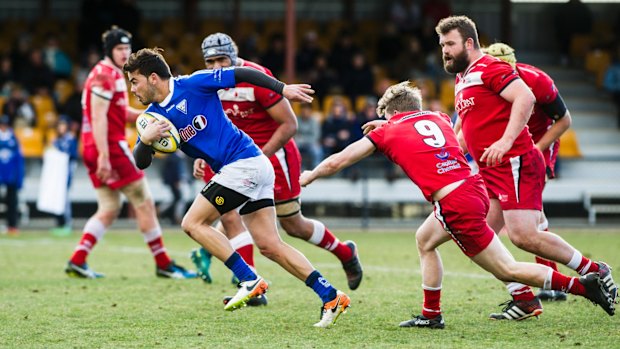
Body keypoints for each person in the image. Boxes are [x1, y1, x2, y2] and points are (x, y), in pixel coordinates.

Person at [301, 81, 616, 329]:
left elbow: (339, 160)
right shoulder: (438, 117)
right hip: (474, 186)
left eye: (386, 118)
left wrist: (311, 175)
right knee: (425, 240)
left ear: (392, 114)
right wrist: (384, 126)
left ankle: (583, 287)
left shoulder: (388, 129)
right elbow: (418, 135)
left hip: (454, 202)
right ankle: (431, 314)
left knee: (507, 268)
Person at [125, 47, 351, 328]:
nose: (132, 89)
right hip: (252, 166)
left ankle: (248, 279)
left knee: (192, 223)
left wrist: (283, 89)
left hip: (243, 164)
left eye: (135, 81)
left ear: (154, 78)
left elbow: (242, 72)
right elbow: (140, 161)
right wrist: (144, 140)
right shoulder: (152, 118)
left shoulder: (193, 83)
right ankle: (330, 295)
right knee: (270, 245)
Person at [434, 15, 616, 319]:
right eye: (441, 45)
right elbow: (463, 129)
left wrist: (506, 141)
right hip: (491, 169)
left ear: (469, 43)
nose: (444, 50)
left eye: (449, 44)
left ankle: (595, 270)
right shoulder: (462, 77)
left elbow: (526, 97)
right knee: (478, 240)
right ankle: (523, 299)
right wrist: (446, 159)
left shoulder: (489, 67)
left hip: (514, 162)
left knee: (523, 236)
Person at [190, 33, 363, 295]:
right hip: (231, 159)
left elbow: (289, 124)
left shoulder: (255, 77)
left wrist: (259, 157)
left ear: (233, 57)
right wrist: (203, 153)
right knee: (228, 215)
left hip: (274, 156)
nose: (216, 68)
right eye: (210, 62)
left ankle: (344, 251)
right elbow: (210, 123)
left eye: (222, 60)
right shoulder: (207, 83)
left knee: (293, 225)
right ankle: (250, 285)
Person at [64, 26, 196, 280]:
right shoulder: (106, 76)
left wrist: (152, 116)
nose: (125, 53)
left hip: (94, 147)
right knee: (144, 203)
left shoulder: (105, 73)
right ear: (109, 51)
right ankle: (163, 263)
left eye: (127, 48)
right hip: (109, 148)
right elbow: (100, 118)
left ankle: (78, 259)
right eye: (119, 48)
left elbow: (119, 113)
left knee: (109, 206)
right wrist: (104, 155)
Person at [484, 42, 573, 301]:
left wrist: (536, 150)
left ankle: (558, 279)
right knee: (509, 222)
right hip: (506, 148)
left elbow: (564, 120)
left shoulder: (537, 81)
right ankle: (550, 281)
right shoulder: (479, 83)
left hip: (537, 144)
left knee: (529, 220)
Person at [50, 116, 79, 236]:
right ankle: (59, 222)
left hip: (66, 172)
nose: (61, 127)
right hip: (57, 174)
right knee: (57, 197)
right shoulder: (56, 140)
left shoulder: (70, 139)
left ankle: (67, 223)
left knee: (65, 198)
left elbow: (73, 156)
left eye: (63, 125)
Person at [0, 114, 24, 236]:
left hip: (11, 175)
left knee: (12, 201)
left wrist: (18, 178)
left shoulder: (13, 138)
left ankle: (12, 226)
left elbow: (19, 159)